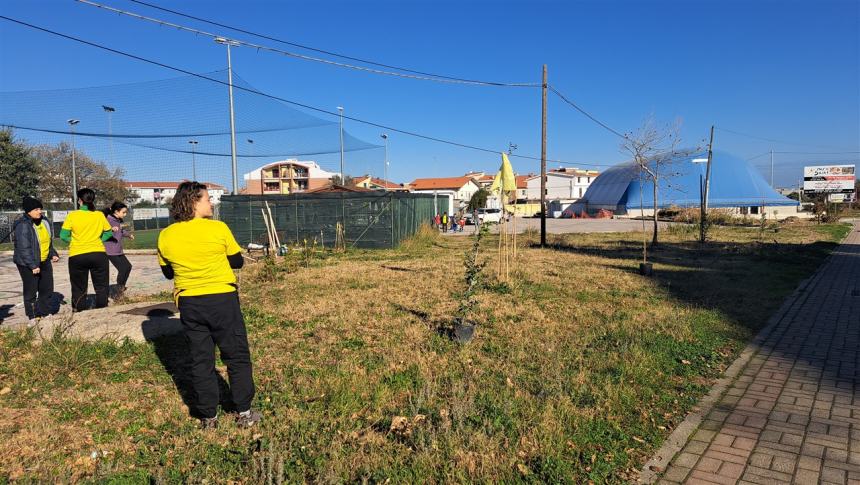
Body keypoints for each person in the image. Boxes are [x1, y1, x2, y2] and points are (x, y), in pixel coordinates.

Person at [157, 181, 260, 429]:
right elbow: (237, 262)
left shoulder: (166, 235)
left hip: (190, 303)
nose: (210, 202)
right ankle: (243, 412)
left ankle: (208, 417)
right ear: (193, 202)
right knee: (236, 355)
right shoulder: (218, 228)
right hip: (222, 300)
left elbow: (168, 273)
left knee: (201, 360)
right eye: (206, 198)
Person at [60, 188, 112, 312]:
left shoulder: (72, 215)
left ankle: (79, 311)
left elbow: (63, 236)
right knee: (101, 286)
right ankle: (103, 310)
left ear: (79, 200)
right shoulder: (99, 215)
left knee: (78, 287)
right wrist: (99, 239)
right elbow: (109, 233)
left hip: (77, 255)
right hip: (98, 254)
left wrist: (75, 241)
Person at [12, 196, 59, 325]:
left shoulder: (44, 221)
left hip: (44, 261)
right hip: (28, 263)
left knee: (46, 288)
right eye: (36, 209)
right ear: (28, 211)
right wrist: (32, 265)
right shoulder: (23, 225)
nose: (40, 211)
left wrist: (52, 254)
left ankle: (45, 312)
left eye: (40, 209)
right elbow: (24, 248)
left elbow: (47, 241)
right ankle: (32, 316)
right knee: (31, 290)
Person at [103, 201, 135, 300]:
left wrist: (128, 234)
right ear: (116, 211)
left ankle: (120, 288)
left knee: (128, 267)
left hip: (118, 250)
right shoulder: (108, 220)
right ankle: (117, 293)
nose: (125, 214)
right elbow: (101, 230)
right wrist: (110, 229)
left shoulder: (116, 220)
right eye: (123, 212)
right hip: (110, 250)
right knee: (123, 269)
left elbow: (120, 230)